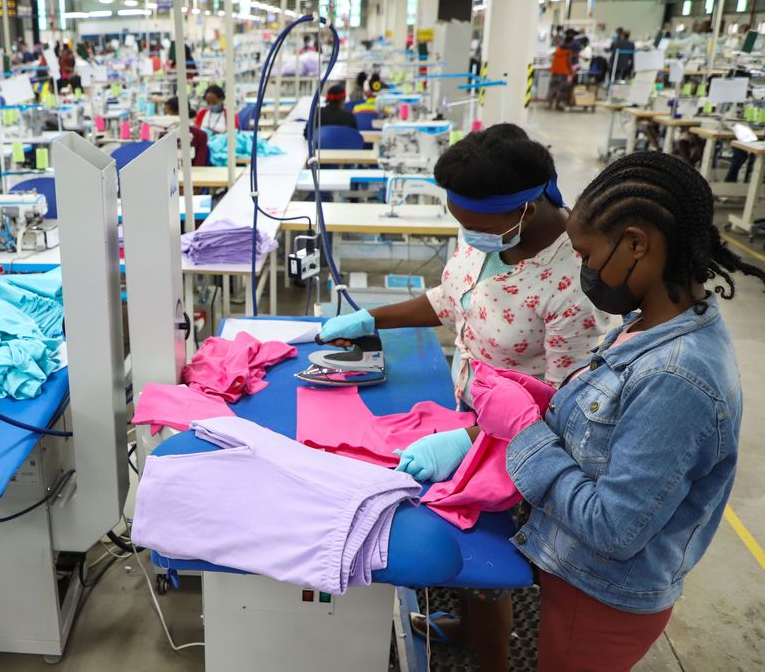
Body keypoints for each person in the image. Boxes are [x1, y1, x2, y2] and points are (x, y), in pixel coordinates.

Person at [319, 124, 612, 671]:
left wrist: (471, 440)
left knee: (486, 566)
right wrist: (369, 321)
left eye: (475, 225)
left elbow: (568, 402)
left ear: (524, 207)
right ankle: (469, 629)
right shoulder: (490, 235)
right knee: (458, 532)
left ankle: (493, 657)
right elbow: (448, 301)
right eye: (461, 223)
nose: (467, 234)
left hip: (517, 440)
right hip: (471, 413)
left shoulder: (572, 282)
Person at [493, 151, 761, 670]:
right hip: (578, 579)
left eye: (588, 256)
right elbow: (614, 430)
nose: (584, 271)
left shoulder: (676, 375)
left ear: (636, 243)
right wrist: (549, 401)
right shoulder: (650, 324)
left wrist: (526, 432)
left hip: (599, 596)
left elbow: (613, 528)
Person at [164, 96, 210, 167]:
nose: (166, 117)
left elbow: (199, 164)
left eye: (168, 114)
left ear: (179, 113)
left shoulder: (200, 136)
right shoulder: (163, 135)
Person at [548, 33, 576, 111]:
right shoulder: (568, 51)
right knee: (562, 89)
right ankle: (557, 105)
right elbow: (569, 62)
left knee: (553, 88)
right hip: (563, 72)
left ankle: (550, 104)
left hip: (554, 71)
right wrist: (571, 72)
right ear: (570, 42)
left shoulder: (558, 49)